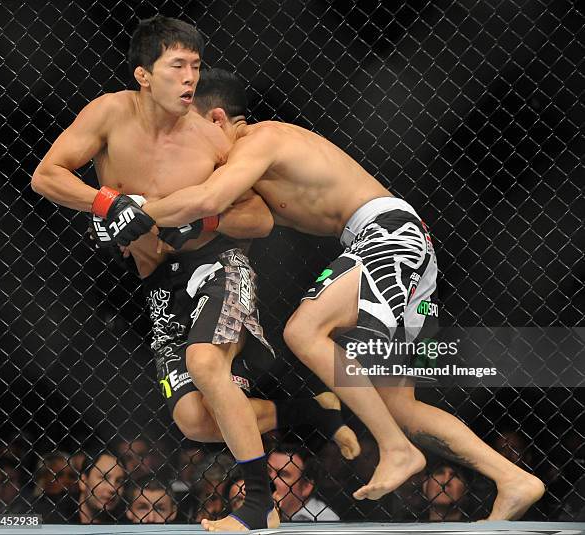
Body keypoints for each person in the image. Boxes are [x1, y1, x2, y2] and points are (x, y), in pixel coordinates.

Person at [138, 67, 546, 521]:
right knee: (400, 406)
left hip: (386, 234)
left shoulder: (261, 140)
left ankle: (395, 449)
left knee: (304, 330)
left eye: (190, 129)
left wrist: (127, 210)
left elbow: (209, 199)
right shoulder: (248, 168)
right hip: (401, 247)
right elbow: (242, 218)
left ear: (216, 119)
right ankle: (512, 478)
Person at [31, 15, 359, 530]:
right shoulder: (109, 114)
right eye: (177, 65)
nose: (189, 78)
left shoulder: (210, 139)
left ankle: (258, 505)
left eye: (196, 66)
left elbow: (261, 216)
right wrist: (106, 202)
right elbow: (46, 175)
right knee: (194, 421)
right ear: (143, 74)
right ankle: (310, 412)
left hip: (217, 264)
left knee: (207, 363)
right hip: (158, 283)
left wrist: (202, 220)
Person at [268, 447, 339, 522]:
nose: (270, 480)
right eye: (268, 471)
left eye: (282, 474)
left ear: (306, 487)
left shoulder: (326, 522)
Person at [78, 450, 126, 523]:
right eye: (104, 478)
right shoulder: (57, 517)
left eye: (119, 481)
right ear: (83, 481)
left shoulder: (125, 522)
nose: (113, 489)